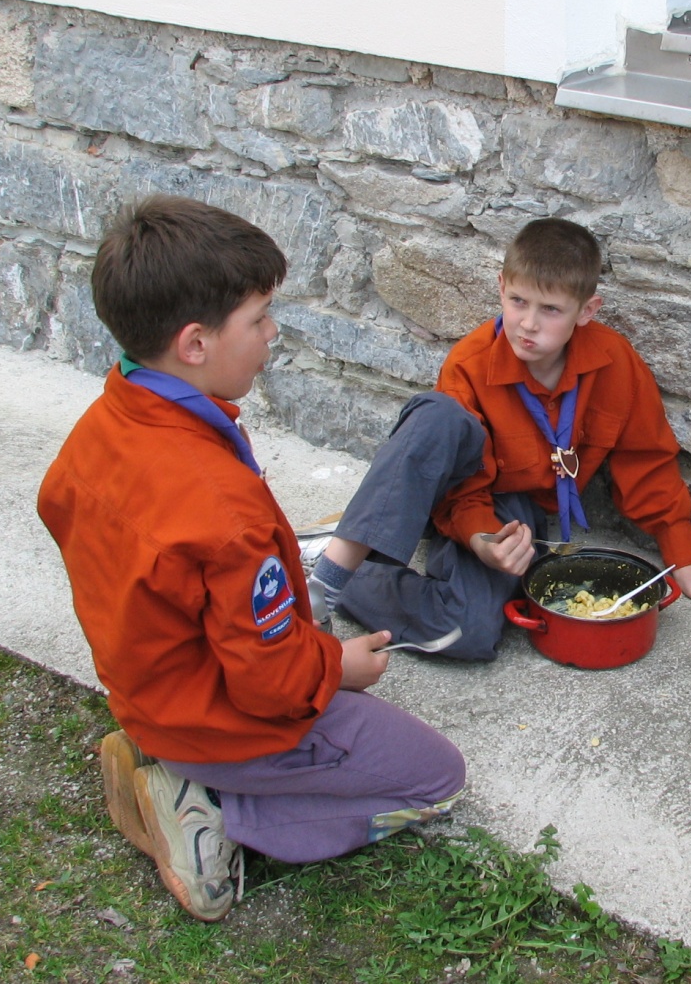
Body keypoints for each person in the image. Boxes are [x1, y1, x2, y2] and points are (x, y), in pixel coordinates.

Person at [37, 196, 466, 922]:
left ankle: (169, 759)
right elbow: (271, 685)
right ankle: (211, 810)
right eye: (259, 318)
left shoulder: (106, 421)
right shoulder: (219, 504)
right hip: (217, 722)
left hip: (148, 687)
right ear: (196, 343)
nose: (272, 333)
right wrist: (338, 666)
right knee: (437, 779)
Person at [301, 217, 691, 661]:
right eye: (518, 301)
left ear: (587, 311)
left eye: (551, 309)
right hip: (458, 496)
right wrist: (478, 538)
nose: (528, 324)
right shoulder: (470, 363)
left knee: (467, 633)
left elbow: (648, 461)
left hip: (512, 509)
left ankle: (362, 566)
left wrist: (683, 559)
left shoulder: (614, 363)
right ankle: (335, 567)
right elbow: (463, 487)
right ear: (501, 286)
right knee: (438, 414)